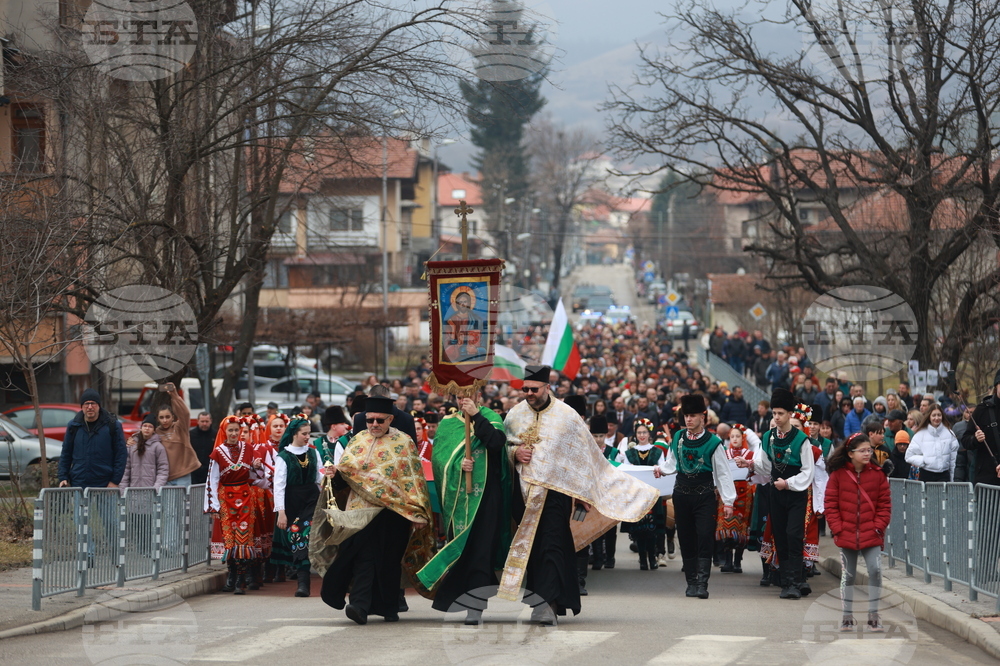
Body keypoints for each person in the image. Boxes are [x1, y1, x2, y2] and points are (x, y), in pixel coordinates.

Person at [501, 365, 658, 625]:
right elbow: (502, 446)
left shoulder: (567, 415)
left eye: (534, 389)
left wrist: (584, 492)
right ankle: (539, 600)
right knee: (534, 549)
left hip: (556, 493)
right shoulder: (514, 416)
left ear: (547, 387)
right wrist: (514, 454)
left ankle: (548, 605)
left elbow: (584, 456)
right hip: (524, 496)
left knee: (552, 546)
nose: (528, 393)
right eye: (525, 389)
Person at [319, 395, 435, 625]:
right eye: (370, 420)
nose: (374, 425)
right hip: (359, 512)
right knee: (363, 558)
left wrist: (418, 513)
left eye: (380, 421)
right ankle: (359, 606)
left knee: (389, 561)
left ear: (390, 419)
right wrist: (336, 475)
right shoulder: (357, 440)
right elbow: (348, 474)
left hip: (394, 514)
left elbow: (414, 480)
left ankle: (389, 607)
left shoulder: (404, 442)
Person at [417, 394, 511, 625]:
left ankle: (475, 607)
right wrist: (459, 465)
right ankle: (464, 598)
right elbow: (439, 462)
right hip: (459, 499)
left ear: (478, 394)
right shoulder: (449, 424)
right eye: (459, 396)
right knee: (465, 551)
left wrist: (477, 416)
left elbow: (497, 444)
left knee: (482, 550)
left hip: (487, 497)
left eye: (468, 395)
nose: (463, 400)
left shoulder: (491, 417)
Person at [736, 388, 815, 599]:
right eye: (774, 413)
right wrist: (750, 463)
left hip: (796, 493)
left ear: (790, 414)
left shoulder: (801, 440)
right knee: (779, 536)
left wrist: (788, 483)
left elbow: (808, 472)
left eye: (780, 413)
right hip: (776, 493)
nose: (777, 417)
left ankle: (796, 580)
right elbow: (764, 465)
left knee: (794, 534)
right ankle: (789, 582)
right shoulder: (769, 437)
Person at [656, 394, 736, 599]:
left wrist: (728, 501)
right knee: (686, 538)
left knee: (705, 537)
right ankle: (691, 582)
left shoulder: (714, 442)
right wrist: (661, 470)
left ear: (703, 416)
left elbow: (723, 473)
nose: (688, 419)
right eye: (686, 415)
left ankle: (702, 583)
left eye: (692, 415)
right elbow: (672, 463)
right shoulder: (678, 438)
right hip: (681, 495)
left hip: (705, 496)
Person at [824, 433, 892, 633]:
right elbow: (830, 505)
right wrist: (838, 528)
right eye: (862, 450)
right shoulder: (838, 475)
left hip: (871, 533)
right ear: (850, 453)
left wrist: (878, 527)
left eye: (869, 450)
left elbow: (885, 506)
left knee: (875, 570)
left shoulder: (878, 475)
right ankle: (846, 616)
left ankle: (873, 614)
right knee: (849, 575)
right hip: (847, 533)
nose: (867, 453)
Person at [205, 415, 269, 594]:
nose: (234, 433)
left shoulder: (248, 448)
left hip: (246, 496)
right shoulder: (218, 452)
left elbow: (258, 477)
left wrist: (256, 466)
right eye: (230, 430)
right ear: (224, 432)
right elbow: (212, 480)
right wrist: (213, 506)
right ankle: (231, 576)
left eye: (236, 430)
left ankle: (240, 579)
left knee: (244, 538)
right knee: (230, 539)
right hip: (226, 497)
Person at [271, 417, 327, 598]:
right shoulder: (284, 457)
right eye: (304, 434)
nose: (307, 437)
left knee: (304, 533)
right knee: (296, 536)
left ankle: (304, 583)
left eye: (309, 434)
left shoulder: (313, 453)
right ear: (294, 434)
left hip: (311, 500)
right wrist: (281, 512)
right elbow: (278, 486)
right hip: (292, 501)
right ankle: (302, 581)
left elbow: (320, 479)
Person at [616, 418, 667, 571]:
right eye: (639, 432)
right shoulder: (629, 453)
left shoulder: (657, 452)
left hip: (652, 494)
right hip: (636, 494)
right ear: (636, 434)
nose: (642, 435)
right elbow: (623, 472)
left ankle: (652, 557)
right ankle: (642, 558)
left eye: (644, 432)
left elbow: (663, 469)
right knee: (639, 528)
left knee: (651, 528)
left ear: (649, 433)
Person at [59, 389, 128, 489]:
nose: (90, 407)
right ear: (82, 406)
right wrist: (63, 477)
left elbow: (121, 455)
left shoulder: (113, 425)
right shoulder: (73, 426)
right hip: (79, 482)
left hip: (105, 484)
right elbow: (66, 453)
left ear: (99, 406)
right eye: (87, 404)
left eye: (93, 403)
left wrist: (114, 481)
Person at [716, 424, 757, 575]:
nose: (734, 439)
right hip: (727, 493)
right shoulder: (724, 454)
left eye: (738, 436)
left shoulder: (750, 455)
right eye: (732, 436)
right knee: (726, 527)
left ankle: (737, 561)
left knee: (741, 527)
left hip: (744, 494)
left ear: (743, 438)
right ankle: (727, 560)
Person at [154, 383, 201, 486]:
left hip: (182, 475)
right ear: (157, 419)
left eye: (167, 417)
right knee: (168, 503)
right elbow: (142, 435)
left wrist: (174, 395)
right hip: (164, 477)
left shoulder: (180, 427)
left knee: (183, 502)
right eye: (161, 418)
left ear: (173, 417)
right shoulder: (156, 432)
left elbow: (185, 414)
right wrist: (133, 439)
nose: (165, 420)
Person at [589, 415, 620, 570]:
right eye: (595, 436)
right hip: (594, 495)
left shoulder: (614, 452)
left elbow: (621, 473)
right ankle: (597, 558)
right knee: (595, 527)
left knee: (610, 529)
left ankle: (610, 557)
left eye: (601, 436)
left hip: (610, 495)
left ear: (606, 436)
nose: (598, 439)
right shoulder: (587, 451)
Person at [962, 370, 1000, 487]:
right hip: (987, 481)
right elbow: (965, 440)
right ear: (996, 386)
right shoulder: (982, 410)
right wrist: (975, 439)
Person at [905, 404, 958, 482]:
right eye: (934, 415)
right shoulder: (920, 435)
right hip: (926, 475)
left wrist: (952, 479)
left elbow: (953, 460)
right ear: (929, 416)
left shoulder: (949, 434)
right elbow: (908, 456)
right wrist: (924, 460)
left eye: (939, 415)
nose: (936, 418)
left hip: (944, 475)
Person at [353, 385, 418, 444]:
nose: (375, 424)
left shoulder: (406, 419)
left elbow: (412, 449)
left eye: (380, 420)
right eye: (370, 420)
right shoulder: (359, 419)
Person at [120, 415, 169, 490]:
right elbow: (125, 469)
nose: (147, 428)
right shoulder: (132, 445)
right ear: (141, 428)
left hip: (150, 491)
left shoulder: (158, 447)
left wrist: (156, 488)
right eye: (145, 426)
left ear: (154, 430)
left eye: (150, 427)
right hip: (133, 491)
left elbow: (163, 470)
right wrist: (123, 489)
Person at [189, 412, 215, 485]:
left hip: (211, 471)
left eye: (206, 421)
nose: (204, 424)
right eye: (202, 421)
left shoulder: (216, 435)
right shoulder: (190, 435)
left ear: (211, 421)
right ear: (198, 421)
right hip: (194, 472)